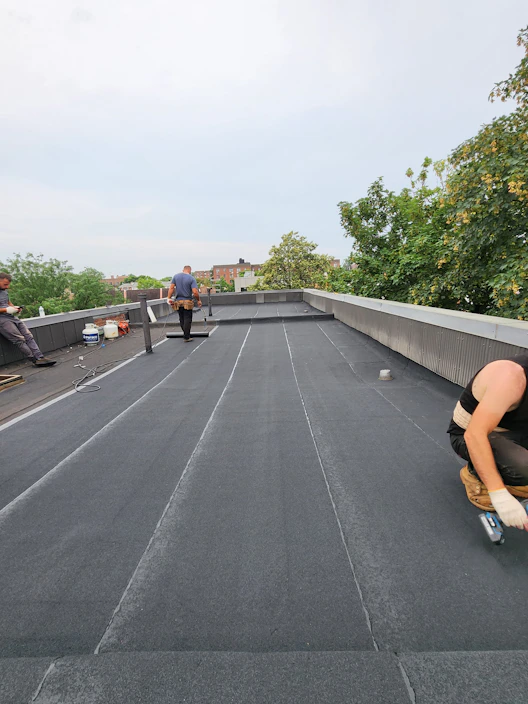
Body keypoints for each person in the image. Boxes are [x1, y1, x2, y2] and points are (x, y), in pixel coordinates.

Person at [448, 355, 528, 531]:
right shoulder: (510, 377)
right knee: (524, 468)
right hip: (469, 436)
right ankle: (474, 475)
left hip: (513, 432)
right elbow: (474, 435)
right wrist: (499, 494)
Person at [0, 272, 56, 366]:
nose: (7, 286)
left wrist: (15, 309)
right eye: (5, 284)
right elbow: (6, 307)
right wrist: (6, 310)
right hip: (2, 320)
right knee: (19, 339)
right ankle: (34, 359)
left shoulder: (4, 291)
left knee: (28, 336)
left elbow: (8, 303)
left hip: (11, 317)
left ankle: (40, 357)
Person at [167, 266, 202, 342]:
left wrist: (169, 298)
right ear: (190, 270)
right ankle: (186, 336)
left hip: (178, 302)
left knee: (181, 318)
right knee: (187, 318)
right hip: (187, 302)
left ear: (183, 270)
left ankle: (185, 333)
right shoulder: (191, 278)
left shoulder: (176, 276)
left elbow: (171, 288)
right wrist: (198, 300)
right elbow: (195, 292)